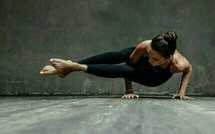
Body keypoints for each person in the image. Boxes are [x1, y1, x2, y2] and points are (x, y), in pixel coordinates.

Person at [40, 31, 193, 100]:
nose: (150, 60)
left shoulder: (178, 64)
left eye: (155, 59)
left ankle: (74, 66)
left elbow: (189, 69)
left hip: (153, 78)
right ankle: (69, 67)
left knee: (127, 70)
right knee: (122, 54)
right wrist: (129, 90)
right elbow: (129, 63)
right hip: (136, 67)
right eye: (149, 55)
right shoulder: (146, 46)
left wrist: (181, 92)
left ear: (168, 58)